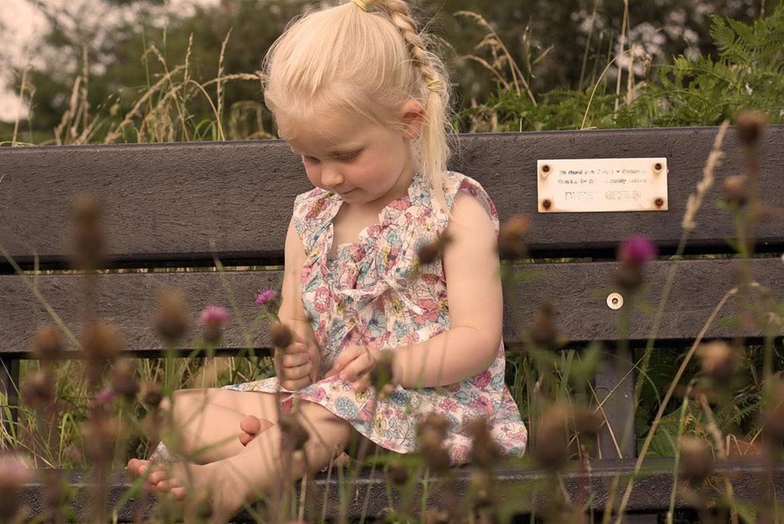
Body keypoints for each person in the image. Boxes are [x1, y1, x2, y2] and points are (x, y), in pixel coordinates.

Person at [127, 0, 527, 519]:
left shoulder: (454, 212)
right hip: (325, 402)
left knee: (339, 405)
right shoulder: (310, 218)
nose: (329, 176)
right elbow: (297, 324)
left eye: (345, 155)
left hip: (429, 405)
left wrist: (391, 367)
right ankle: (285, 451)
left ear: (409, 122)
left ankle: (231, 479)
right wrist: (297, 357)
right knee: (180, 411)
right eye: (310, 158)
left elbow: (478, 339)